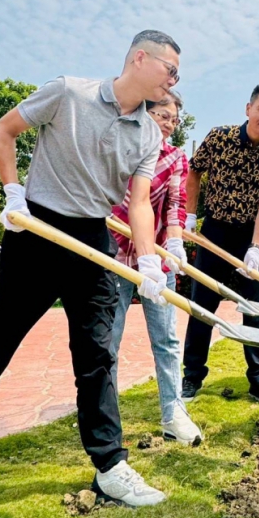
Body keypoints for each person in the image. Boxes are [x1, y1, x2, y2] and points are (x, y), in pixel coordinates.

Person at [0, 30, 181, 508]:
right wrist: (13, 193)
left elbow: (138, 204)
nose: (174, 79)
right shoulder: (69, 91)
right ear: (139, 58)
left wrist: (149, 258)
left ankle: (110, 466)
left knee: (95, 357)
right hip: (36, 231)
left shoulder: (150, 133)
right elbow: (2, 131)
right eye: (170, 68)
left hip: (92, 240)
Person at [182, 84, 259, 407]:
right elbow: (194, 171)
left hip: (253, 235)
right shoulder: (219, 138)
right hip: (215, 230)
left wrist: (257, 247)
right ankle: (192, 376)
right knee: (202, 306)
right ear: (248, 108)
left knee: (253, 309)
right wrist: (189, 215)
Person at [109, 91, 202, 446]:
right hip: (113, 253)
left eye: (174, 120)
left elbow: (176, 204)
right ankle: (107, 416)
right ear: (144, 114)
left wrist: (175, 241)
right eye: (163, 116)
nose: (169, 124)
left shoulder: (176, 157)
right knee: (108, 341)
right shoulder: (120, 145)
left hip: (157, 256)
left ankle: (173, 412)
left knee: (166, 339)